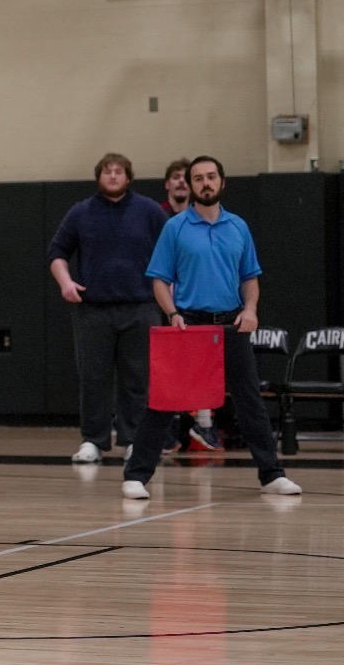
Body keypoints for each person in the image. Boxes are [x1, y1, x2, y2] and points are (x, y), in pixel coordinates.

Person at [122, 156, 301, 498]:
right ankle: (136, 475)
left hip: (231, 325)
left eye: (211, 177)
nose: (205, 183)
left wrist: (250, 309)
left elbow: (250, 277)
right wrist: (172, 312)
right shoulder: (175, 228)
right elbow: (159, 279)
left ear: (222, 182)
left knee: (250, 401)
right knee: (164, 401)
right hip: (189, 324)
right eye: (198, 178)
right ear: (189, 185)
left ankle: (272, 474)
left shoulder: (238, 227)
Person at [47, 153, 168, 464]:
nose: (113, 176)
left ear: (128, 178)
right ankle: (93, 440)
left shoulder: (149, 211)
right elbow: (57, 252)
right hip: (93, 310)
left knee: (138, 377)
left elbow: (171, 251)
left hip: (141, 306)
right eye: (107, 171)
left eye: (119, 171)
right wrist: (65, 282)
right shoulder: (81, 212)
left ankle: (133, 441)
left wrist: (168, 291)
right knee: (93, 377)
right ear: (98, 177)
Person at [158, 157, 221, 452]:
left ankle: (204, 424)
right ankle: (166, 432)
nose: (182, 182)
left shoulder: (215, 221)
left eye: (188, 177)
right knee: (170, 370)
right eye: (177, 177)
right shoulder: (162, 220)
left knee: (204, 367)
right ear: (168, 184)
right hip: (167, 304)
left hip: (200, 304)